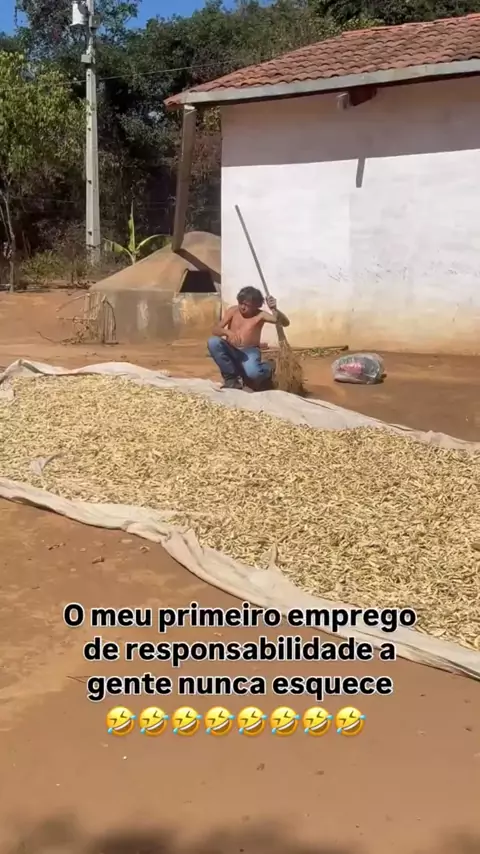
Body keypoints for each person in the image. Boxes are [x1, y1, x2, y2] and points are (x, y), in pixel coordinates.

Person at [207, 286, 290, 390]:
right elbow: (215, 330)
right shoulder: (233, 310)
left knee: (253, 374)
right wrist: (227, 332)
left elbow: (285, 323)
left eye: (246, 305)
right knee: (213, 342)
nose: (242, 307)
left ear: (256, 305)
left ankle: (268, 367)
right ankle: (231, 379)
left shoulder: (260, 315)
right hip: (232, 349)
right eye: (240, 303)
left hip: (250, 352)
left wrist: (274, 309)